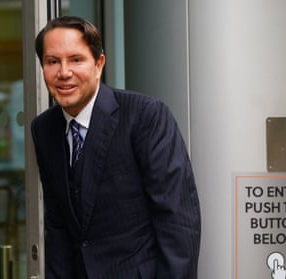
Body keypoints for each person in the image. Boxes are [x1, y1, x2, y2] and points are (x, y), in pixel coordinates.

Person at [31, 16, 201, 279]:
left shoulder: (145, 116)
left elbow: (177, 220)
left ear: (99, 64)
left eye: (76, 59)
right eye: (53, 61)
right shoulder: (43, 129)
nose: (64, 72)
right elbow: (58, 225)